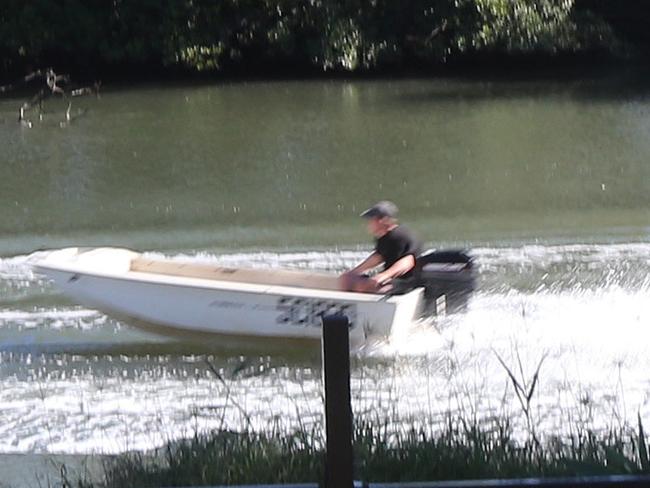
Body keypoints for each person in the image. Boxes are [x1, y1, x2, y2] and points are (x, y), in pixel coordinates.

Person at [340, 201, 421, 293]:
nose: (368, 224)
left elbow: (408, 262)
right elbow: (378, 257)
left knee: (365, 287)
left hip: (408, 283)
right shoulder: (384, 237)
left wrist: (382, 276)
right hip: (392, 279)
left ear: (384, 220)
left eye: (371, 220)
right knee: (349, 281)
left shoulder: (400, 236)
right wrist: (353, 272)